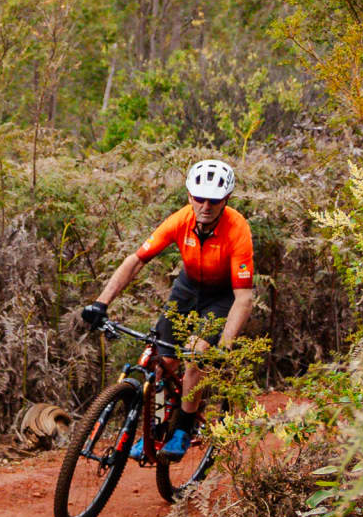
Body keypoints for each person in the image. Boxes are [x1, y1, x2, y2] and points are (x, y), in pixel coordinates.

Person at [99, 159, 258, 457]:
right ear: (189, 196)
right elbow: (135, 261)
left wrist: (224, 346)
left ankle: (183, 428)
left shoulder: (238, 230)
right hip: (187, 289)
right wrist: (100, 302)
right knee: (162, 360)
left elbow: (244, 298)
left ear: (226, 200)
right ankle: (157, 427)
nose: (205, 206)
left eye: (214, 200)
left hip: (222, 296)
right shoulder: (180, 220)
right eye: (199, 198)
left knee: (196, 355)